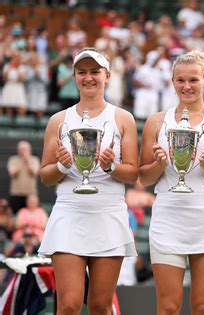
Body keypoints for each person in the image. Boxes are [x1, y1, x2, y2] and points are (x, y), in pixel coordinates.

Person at [38, 47, 138, 315]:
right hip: (69, 213)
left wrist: (110, 166)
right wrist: (62, 164)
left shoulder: (123, 118)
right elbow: (46, 176)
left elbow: (132, 173)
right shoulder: (58, 120)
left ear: (106, 75)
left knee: (100, 306)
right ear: (74, 76)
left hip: (108, 213)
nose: (88, 77)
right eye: (82, 72)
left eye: (94, 71)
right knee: (68, 305)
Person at [138, 50, 204, 314]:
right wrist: (159, 165)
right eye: (180, 80)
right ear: (172, 82)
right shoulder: (156, 122)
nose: (187, 86)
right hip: (168, 218)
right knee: (168, 307)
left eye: (193, 80)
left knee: (203, 307)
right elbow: (144, 177)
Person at [7, 140, 40, 214]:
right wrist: (21, 161)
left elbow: (35, 172)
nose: (23, 151)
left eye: (25, 149)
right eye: (21, 149)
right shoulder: (13, 159)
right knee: (15, 215)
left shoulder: (34, 159)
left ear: (29, 150)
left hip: (30, 194)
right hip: (16, 193)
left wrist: (27, 160)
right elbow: (12, 173)